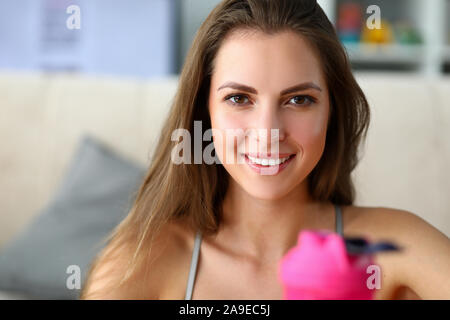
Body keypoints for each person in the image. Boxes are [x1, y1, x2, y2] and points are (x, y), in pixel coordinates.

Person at [80, 0, 450, 300]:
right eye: (239, 98)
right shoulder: (142, 261)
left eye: (299, 100)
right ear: (203, 110)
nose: (268, 132)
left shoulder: (394, 247)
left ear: (331, 110)